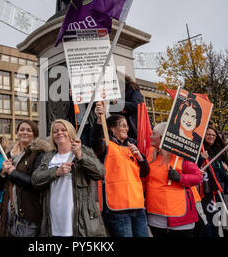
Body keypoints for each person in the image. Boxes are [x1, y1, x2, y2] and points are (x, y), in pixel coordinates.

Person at [31, 119, 107, 237]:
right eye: (55, 131)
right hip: (53, 222)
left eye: (63, 130)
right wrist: (56, 172)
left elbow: (100, 173)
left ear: (70, 132)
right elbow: (35, 180)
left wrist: (80, 157)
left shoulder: (84, 151)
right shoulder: (48, 156)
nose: (59, 133)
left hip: (79, 221)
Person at [92, 102, 149, 237]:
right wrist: (100, 119)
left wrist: (140, 158)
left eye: (127, 126)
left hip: (138, 207)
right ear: (112, 129)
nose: (127, 128)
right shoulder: (106, 146)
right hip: (117, 209)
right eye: (122, 125)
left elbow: (145, 172)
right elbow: (95, 141)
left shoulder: (132, 146)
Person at [0, 120, 54, 237]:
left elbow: (35, 182)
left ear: (35, 134)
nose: (24, 132)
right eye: (21, 130)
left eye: (29, 130)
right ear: (17, 133)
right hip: (9, 211)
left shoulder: (39, 153)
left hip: (28, 214)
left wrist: (12, 172)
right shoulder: (9, 155)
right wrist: (2, 173)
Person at [145, 122, 202, 237]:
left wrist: (180, 177)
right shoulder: (150, 155)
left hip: (180, 216)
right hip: (155, 216)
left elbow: (197, 177)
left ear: (163, 137)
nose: (150, 136)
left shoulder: (181, 156)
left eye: (154, 134)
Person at [199, 126, 228, 237]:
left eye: (213, 135)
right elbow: (195, 168)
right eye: (209, 134)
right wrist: (202, 158)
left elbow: (217, 169)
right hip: (204, 192)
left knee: (218, 220)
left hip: (215, 190)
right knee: (207, 223)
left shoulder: (215, 151)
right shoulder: (199, 150)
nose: (211, 136)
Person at [110, 75, 143, 140]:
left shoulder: (133, 89)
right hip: (122, 127)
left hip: (135, 126)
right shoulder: (115, 93)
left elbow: (137, 105)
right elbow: (111, 111)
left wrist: (119, 103)